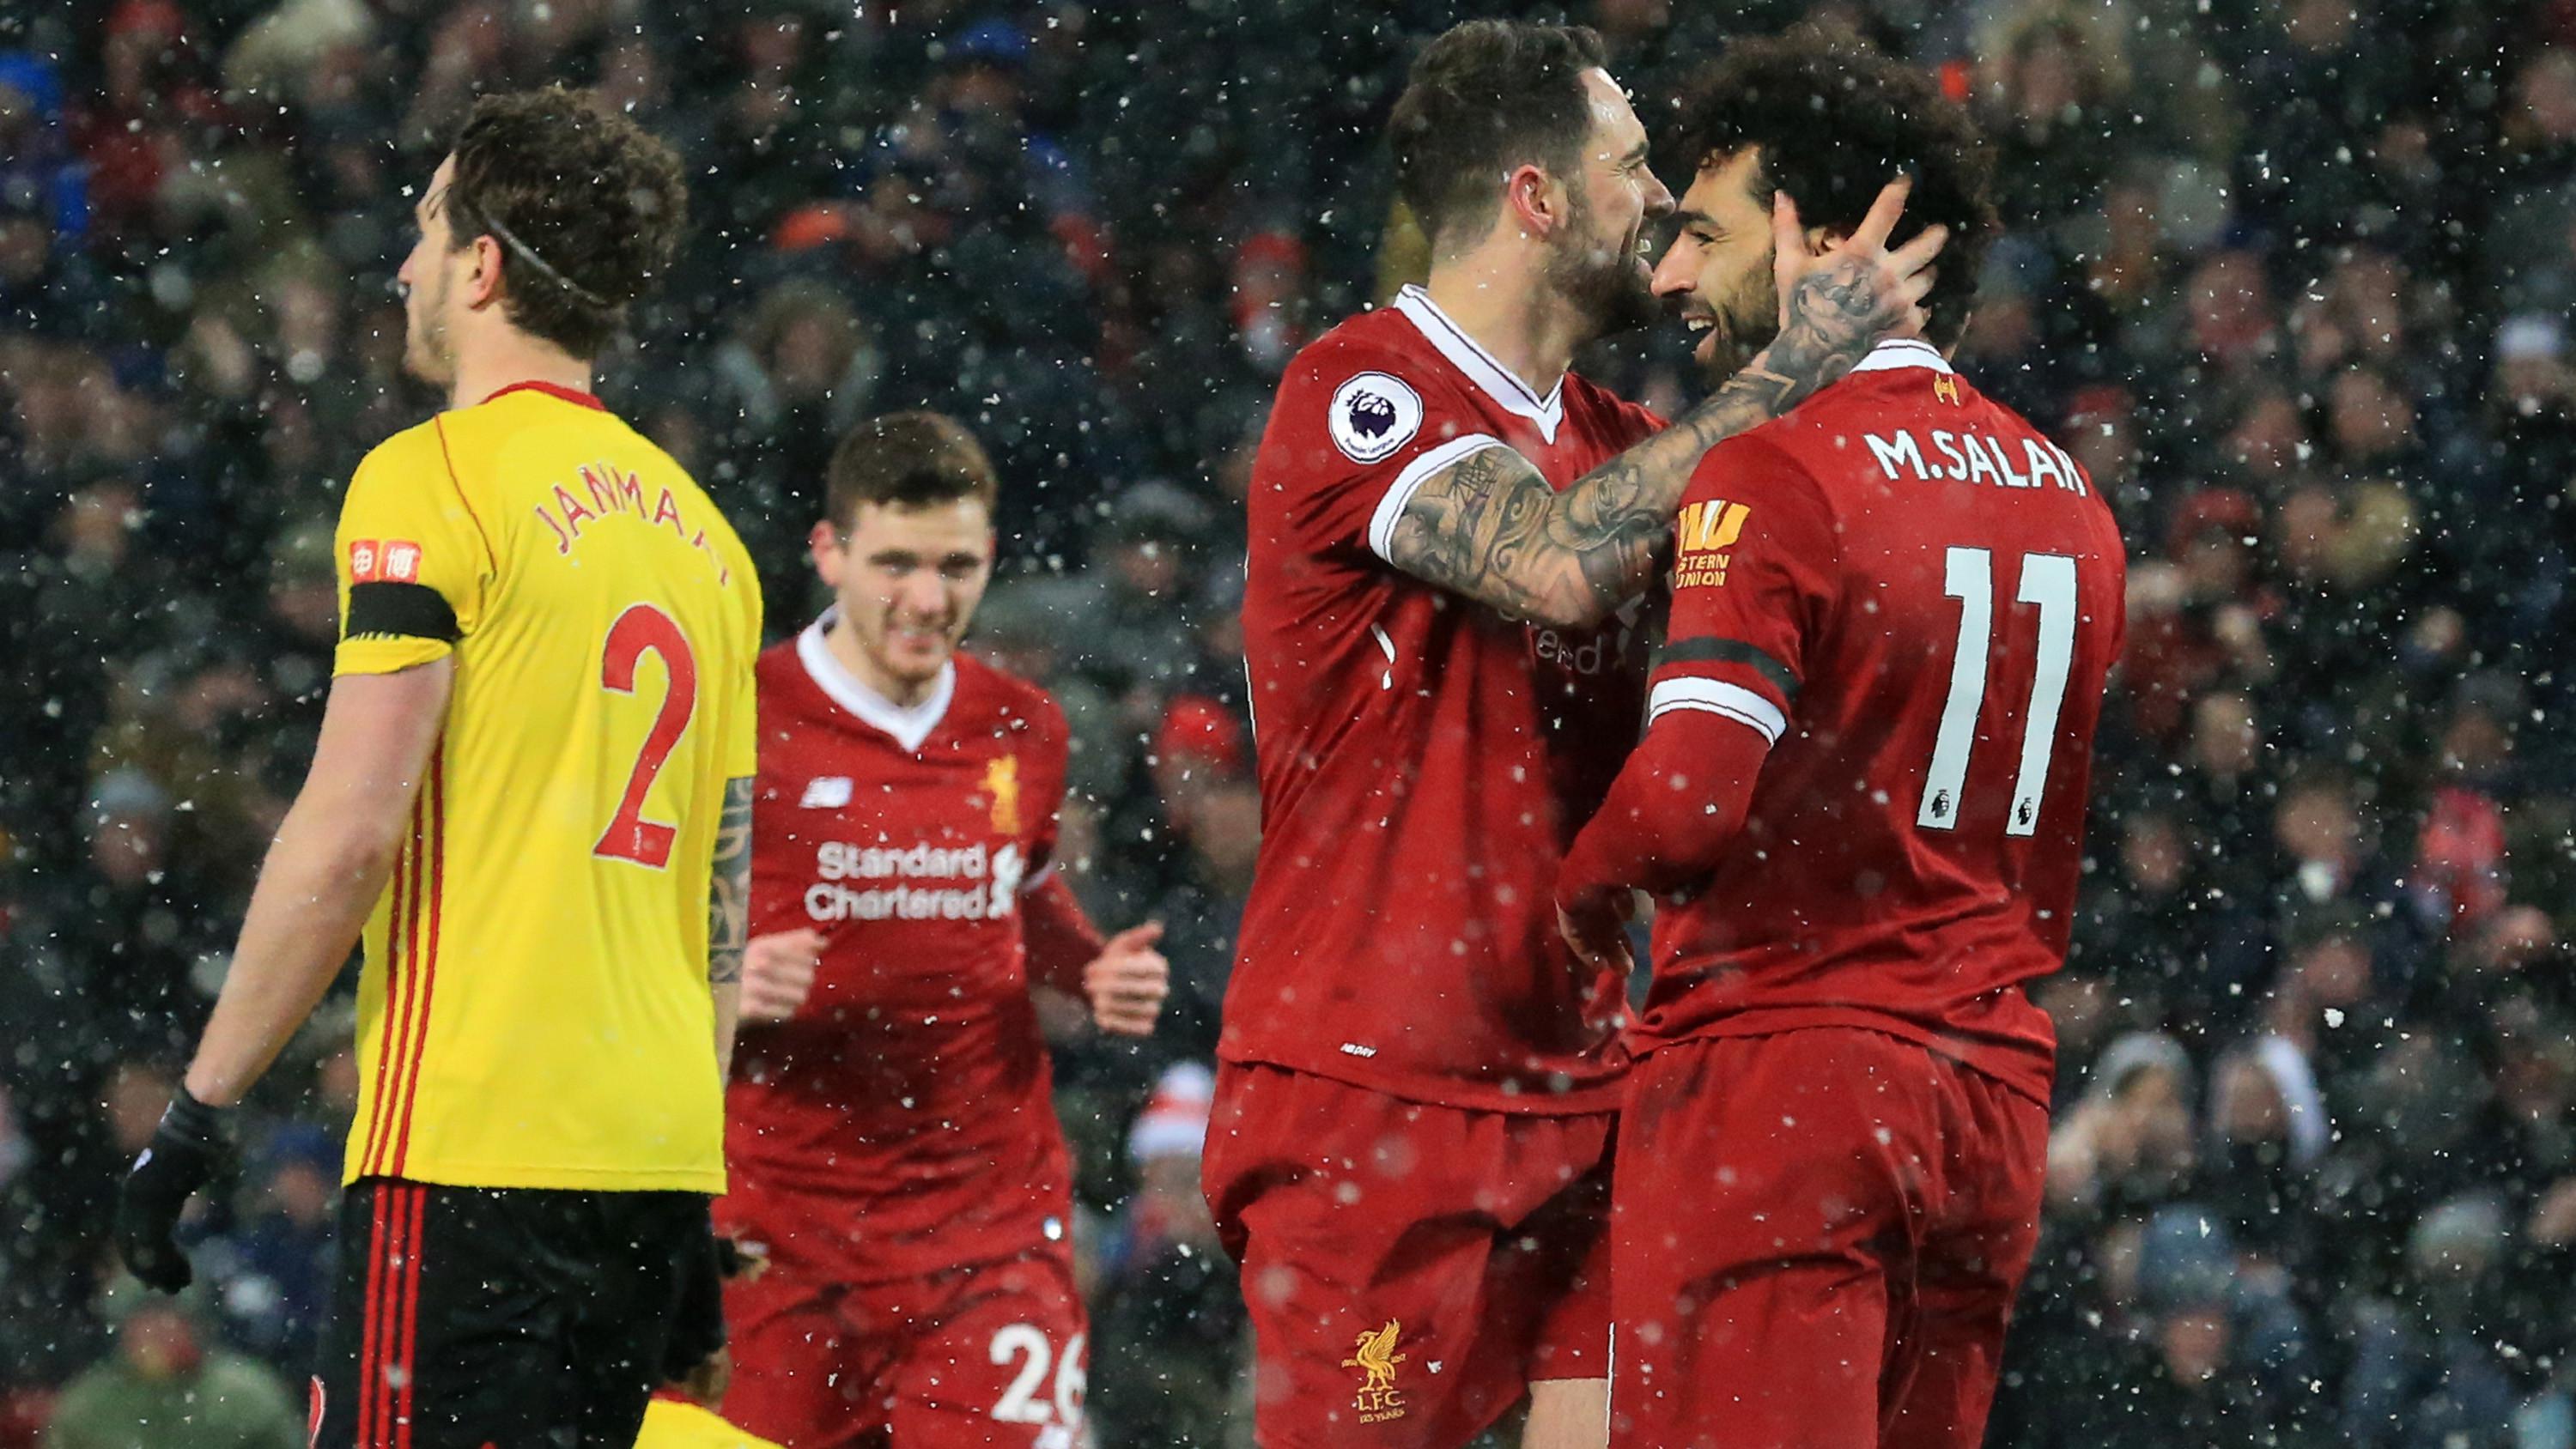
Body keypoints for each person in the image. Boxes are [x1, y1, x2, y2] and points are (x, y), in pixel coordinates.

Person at [1210, 18, 1944, 1449]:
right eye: (1634, 166)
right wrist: (1789, 366)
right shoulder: (1361, 388)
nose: (1660, 201)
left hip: (1595, 1091)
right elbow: (1551, 561)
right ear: (1539, 197)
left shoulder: (1625, 436)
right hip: (1378, 1098)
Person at [112, 87, 759, 1448]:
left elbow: (350, 833)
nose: (402, 264)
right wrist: (689, 1192)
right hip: (649, 1158)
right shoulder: (711, 543)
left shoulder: (433, 479)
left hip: (473, 1150)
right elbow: (720, 909)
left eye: (423, 228)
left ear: (483, 266)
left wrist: (197, 1109)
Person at [1552, 33, 2128, 1449]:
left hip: (1785, 1083)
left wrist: (1563, 901)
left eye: (1705, 232)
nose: (1673, 275)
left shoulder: (1769, 469)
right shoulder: (2068, 495)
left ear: (1814, 235)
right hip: (1988, 1105)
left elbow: (1687, 804)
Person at [717, 411, 1170, 1448]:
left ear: (992, 558)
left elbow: (1022, 888)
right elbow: (621, 928)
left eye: (957, 565)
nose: (928, 598)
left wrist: (1088, 966)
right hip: (777, 1227)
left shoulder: (1025, 726)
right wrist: (723, 978)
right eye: (896, 563)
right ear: (827, 552)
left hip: (987, 1225)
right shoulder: (740, 720)